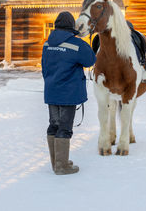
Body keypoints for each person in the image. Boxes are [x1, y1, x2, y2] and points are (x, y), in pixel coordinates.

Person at [41, 11, 96, 175]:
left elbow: (44, 67)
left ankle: (57, 162)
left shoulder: (46, 43)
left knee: (54, 125)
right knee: (65, 128)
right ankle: (62, 166)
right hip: (68, 94)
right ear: (71, 26)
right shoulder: (76, 44)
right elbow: (90, 60)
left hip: (51, 91)